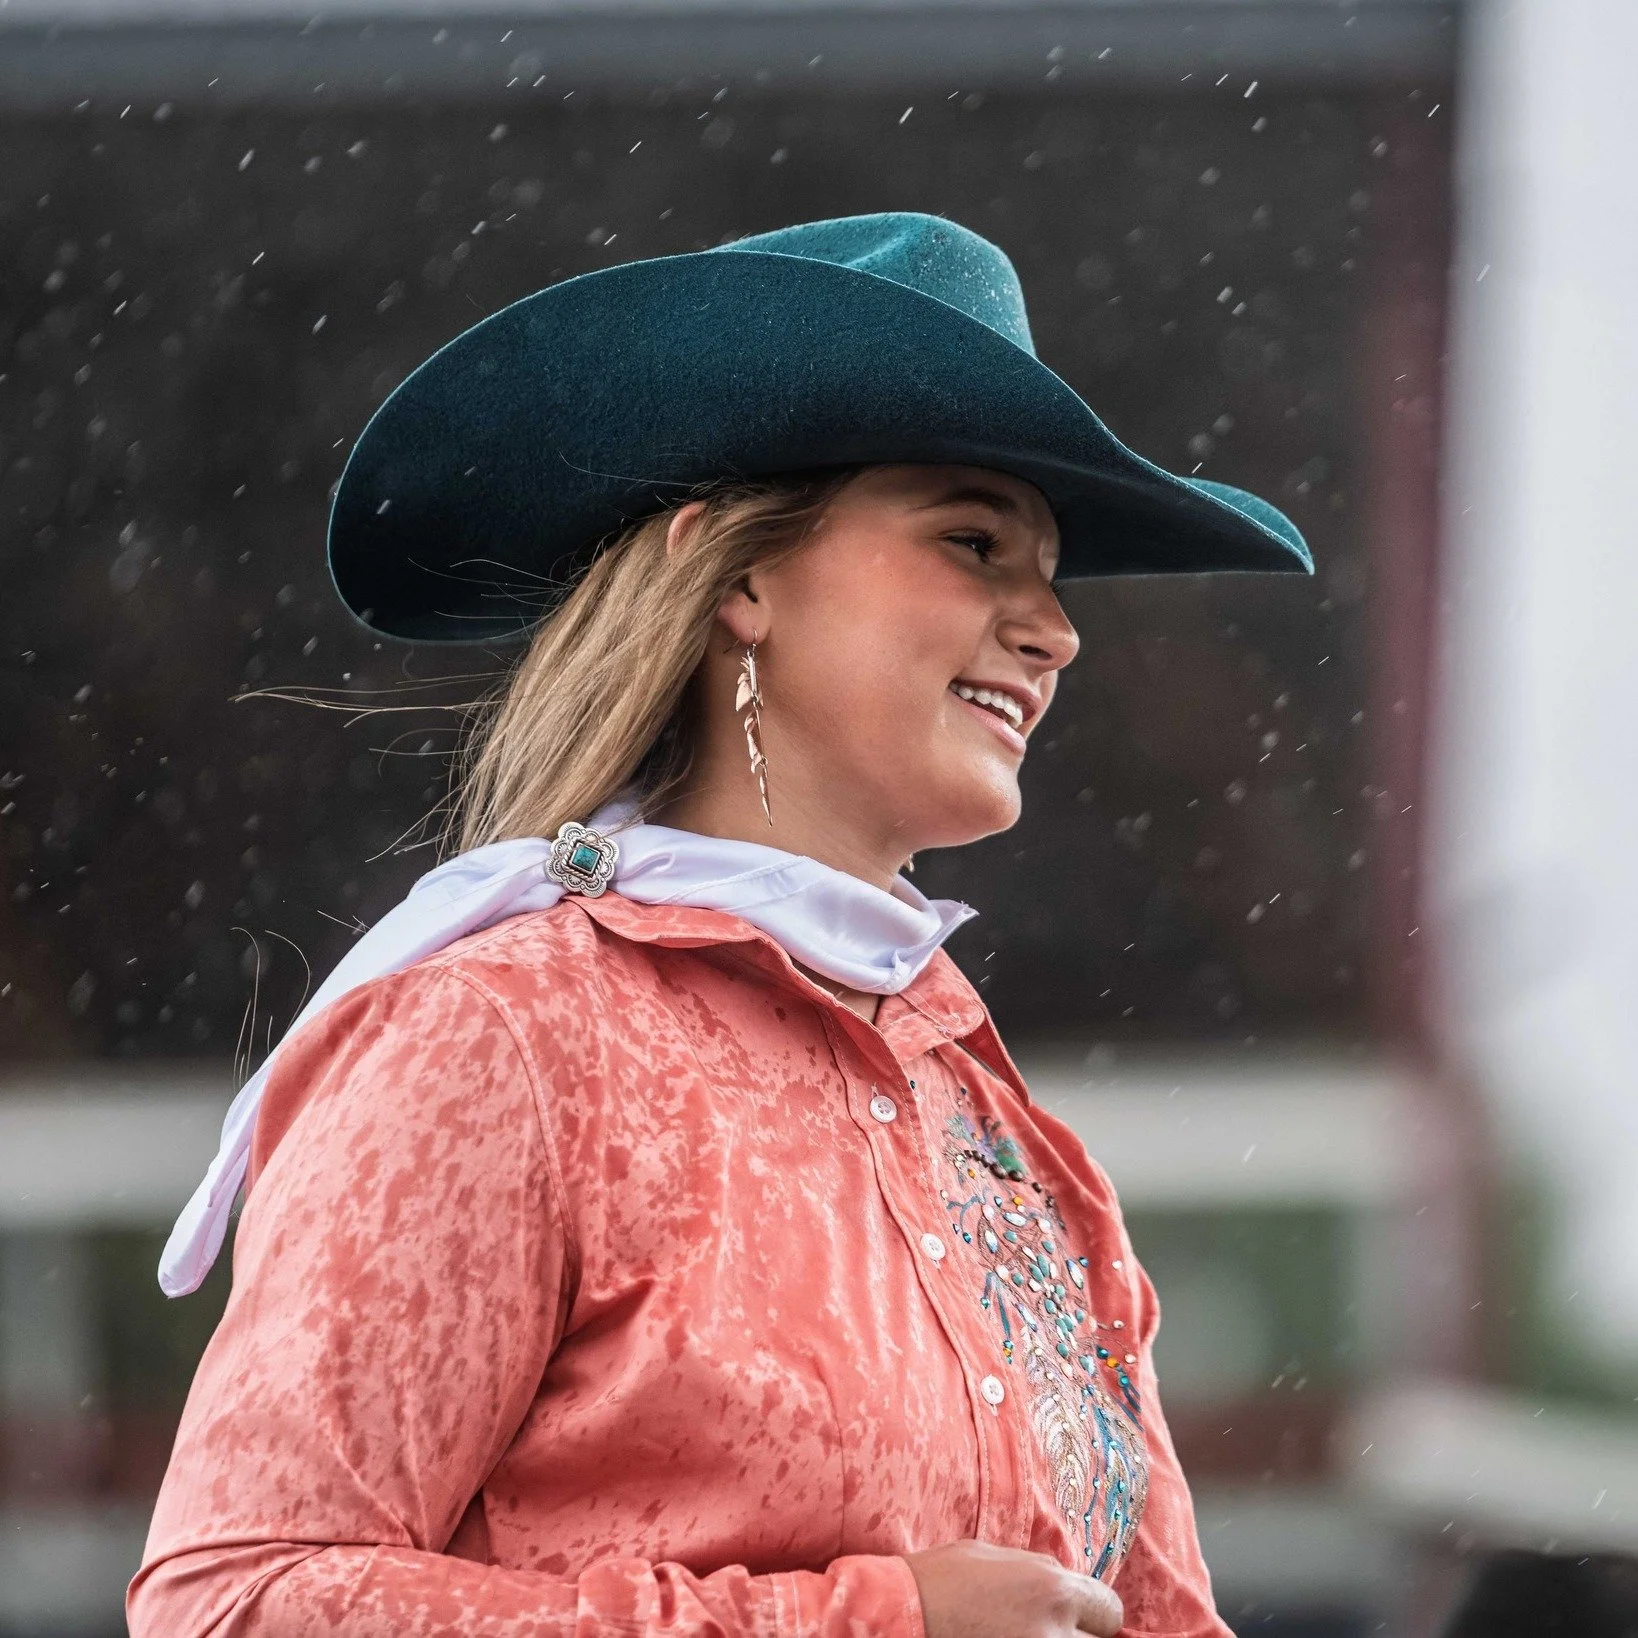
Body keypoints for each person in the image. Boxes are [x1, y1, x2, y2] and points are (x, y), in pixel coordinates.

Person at [127, 212, 1310, 1638]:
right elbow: (237, 1602)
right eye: (971, 541)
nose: (1050, 628)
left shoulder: (999, 1133)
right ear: (735, 576)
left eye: (1045, 574)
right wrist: (864, 1624)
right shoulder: (498, 1038)